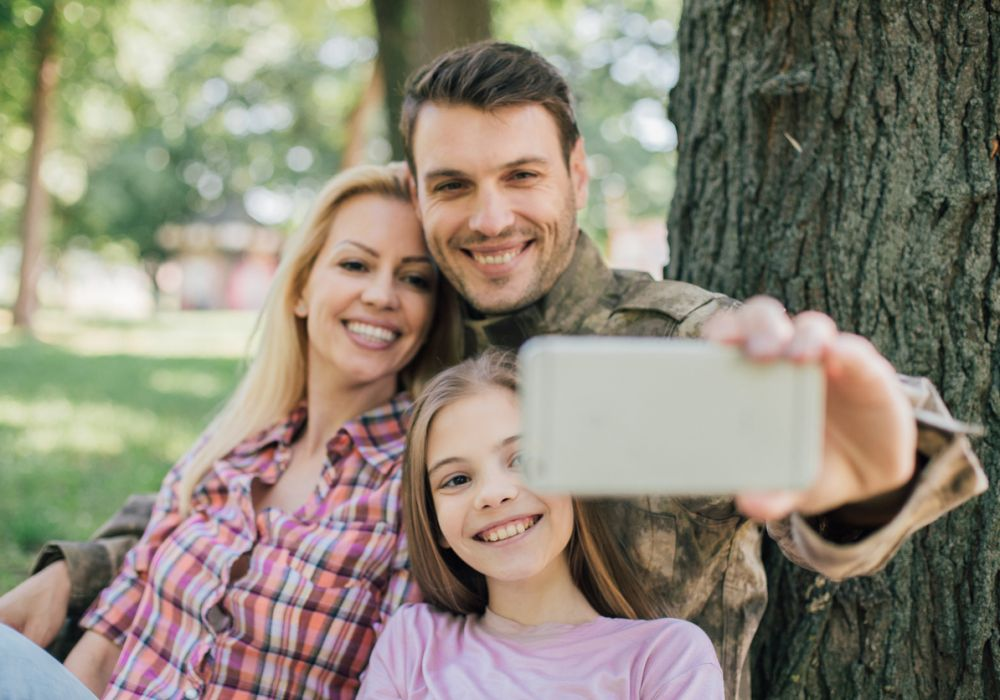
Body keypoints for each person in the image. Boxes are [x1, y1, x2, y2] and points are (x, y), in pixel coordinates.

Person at [0, 41, 987, 699]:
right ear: (421, 193)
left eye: (521, 175)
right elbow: (261, 467)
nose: (489, 216)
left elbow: (848, 455)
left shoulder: (670, 339)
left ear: (577, 175)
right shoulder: (423, 332)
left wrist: (872, 474)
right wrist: (85, 566)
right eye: (453, 185)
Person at [0, 162, 460, 699]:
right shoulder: (230, 448)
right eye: (356, 264)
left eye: (413, 278)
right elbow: (103, 646)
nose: (383, 295)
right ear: (301, 290)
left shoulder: (421, 481)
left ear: (431, 313)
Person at [357, 350, 724, 699]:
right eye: (456, 480)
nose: (493, 494)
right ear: (435, 526)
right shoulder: (412, 643)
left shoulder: (665, 658)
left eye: (522, 458)